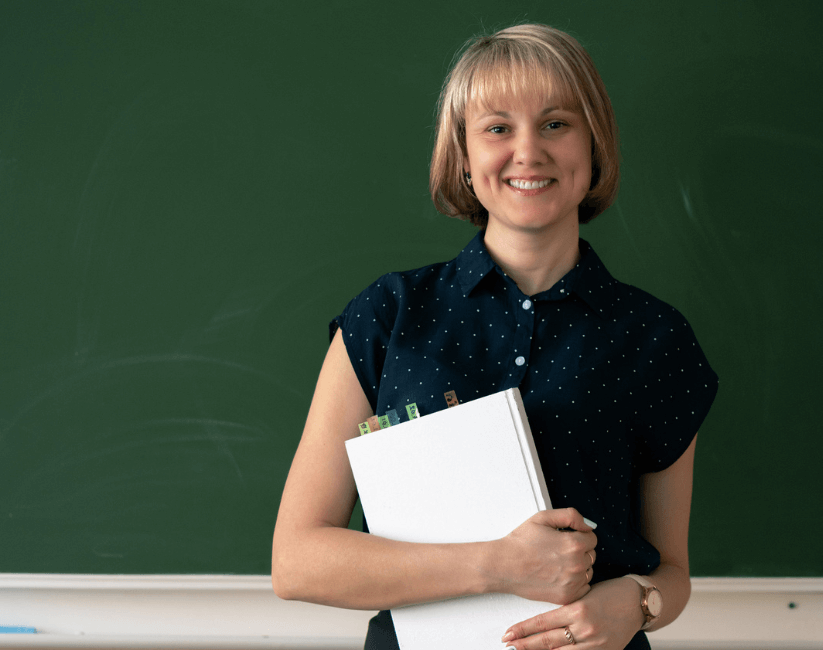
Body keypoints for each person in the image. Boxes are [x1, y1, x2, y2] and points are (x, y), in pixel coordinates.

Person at [272, 23, 718, 650]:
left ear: (594, 148)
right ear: (463, 156)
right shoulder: (386, 316)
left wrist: (639, 604)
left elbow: (672, 570)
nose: (528, 152)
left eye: (557, 123)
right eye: (498, 128)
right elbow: (297, 561)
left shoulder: (655, 339)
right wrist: (500, 565)